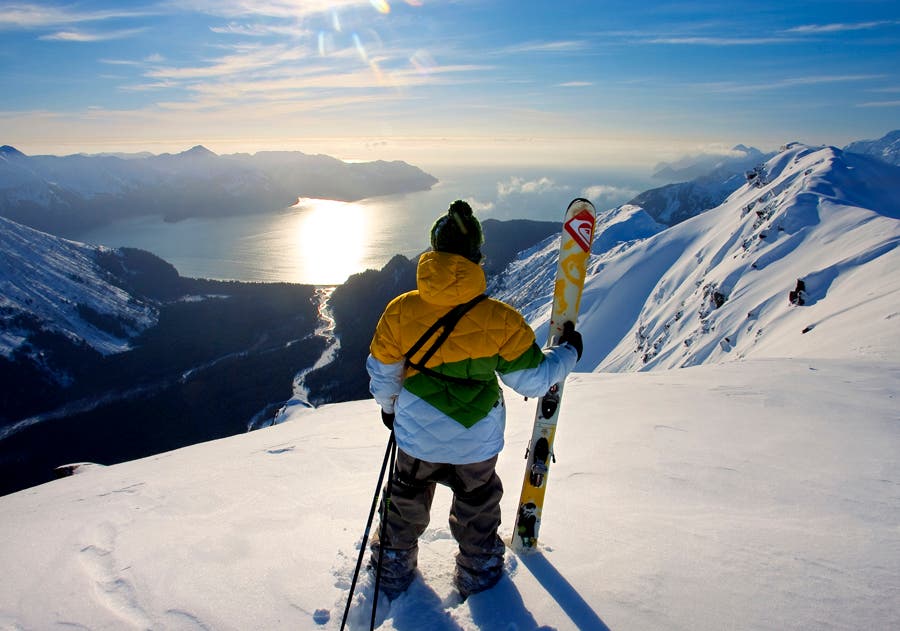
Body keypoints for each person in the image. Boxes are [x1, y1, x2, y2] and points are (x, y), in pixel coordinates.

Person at [365, 200, 583, 599]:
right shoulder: (500, 319)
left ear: (434, 251)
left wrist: (389, 407)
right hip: (476, 438)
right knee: (477, 502)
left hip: (416, 433)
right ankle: (478, 571)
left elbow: (384, 373)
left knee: (406, 496)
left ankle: (393, 564)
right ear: (476, 256)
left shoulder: (401, 311)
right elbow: (533, 381)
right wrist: (568, 353)